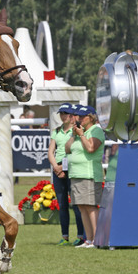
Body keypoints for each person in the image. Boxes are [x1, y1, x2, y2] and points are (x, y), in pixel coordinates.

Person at [65, 105, 105, 249]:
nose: (79, 119)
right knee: (82, 207)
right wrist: (74, 135)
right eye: (78, 117)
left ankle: (97, 238)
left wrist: (81, 135)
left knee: (91, 206)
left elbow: (91, 148)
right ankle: (89, 239)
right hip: (76, 173)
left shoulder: (96, 130)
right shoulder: (78, 131)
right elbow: (67, 148)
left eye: (82, 117)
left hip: (89, 174)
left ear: (91, 117)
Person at [47, 103, 86, 246]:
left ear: (72, 115)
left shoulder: (77, 130)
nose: (63, 116)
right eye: (62, 113)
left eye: (66, 113)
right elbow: (51, 151)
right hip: (58, 169)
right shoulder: (56, 131)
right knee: (62, 204)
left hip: (72, 168)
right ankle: (65, 236)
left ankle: (81, 235)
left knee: (76, 204)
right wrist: (56, 167)